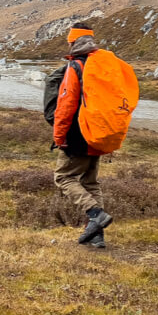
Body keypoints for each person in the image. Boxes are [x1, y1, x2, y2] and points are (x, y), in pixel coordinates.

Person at [52, 23, 111, 249]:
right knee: (91, 182)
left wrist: (59, 138)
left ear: (72, 42)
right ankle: (96, 236)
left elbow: (65, 106)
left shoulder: (75, 66)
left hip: (78, 134)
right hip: (100, 132)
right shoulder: (103, 66)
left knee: (63, 177)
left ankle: (95, 213)